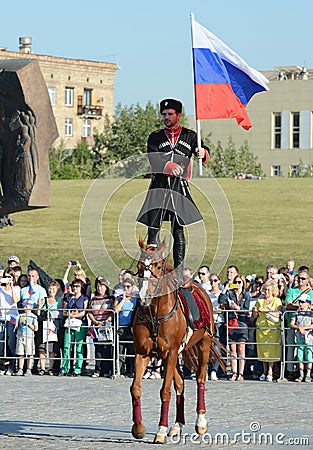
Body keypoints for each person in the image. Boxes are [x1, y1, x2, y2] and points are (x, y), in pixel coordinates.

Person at [136, 98, 210, 284]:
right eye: (164, 114)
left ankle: (178, 271)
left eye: (170, 114)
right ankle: (151, 267)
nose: (166, 117)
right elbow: (153, 158)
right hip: (159, 186)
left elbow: (203, 148)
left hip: (179, 187)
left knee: (178, 229)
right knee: (153, 229)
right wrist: (169, 166)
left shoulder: (191, 135)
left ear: (178, 115)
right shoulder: (155, 136)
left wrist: (203, 153)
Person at [219, 274, 250, 381]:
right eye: (235, 282)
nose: (237, 284)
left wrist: (238, 308)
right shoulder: (230, 294)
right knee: (232, 350)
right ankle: (234, 372)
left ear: (243, 283)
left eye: (239, 282)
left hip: (241, 323)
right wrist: (225, 289)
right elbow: (221, 301)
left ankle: (240, 373)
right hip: (232, 322)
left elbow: (246, 309)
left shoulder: (246, 294)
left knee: (241, 350)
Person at [284, 269, 313, 380]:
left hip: (308, 325)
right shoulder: (292, 291)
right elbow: (288, 305)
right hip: (294, 322)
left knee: (308, 350)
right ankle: (291, 370)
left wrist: (299, 305)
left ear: (307, 280)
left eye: (303, 278)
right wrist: (302, 306)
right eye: (299, 278)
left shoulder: (311, 292)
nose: (300, 280)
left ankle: (307, 372)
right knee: (291, 346)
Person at [253, 279, 282, 382]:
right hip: (261, 328)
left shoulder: (277, 300)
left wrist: (268, 311)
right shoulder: (260, 301)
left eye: (269, 290)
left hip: (272, 329)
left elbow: (279, 314)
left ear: (273, 290)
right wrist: (255, 311)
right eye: (265, 289)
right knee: (262, 350)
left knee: (272, 350)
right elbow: (255, 315)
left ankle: (270, 371)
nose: (267, 292)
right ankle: (264, 371)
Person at [88, 276, 115, 378]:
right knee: (98, 348)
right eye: (98, 286)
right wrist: (95, 321)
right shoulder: (93, 299)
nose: (100, 288)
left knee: (107, 348)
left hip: (107, 326)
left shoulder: (110, 298)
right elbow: (89, 312)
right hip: (96, 326)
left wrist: (107, 320)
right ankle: (98, 369)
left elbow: (113, 311)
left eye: (102, 286)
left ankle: (108, 369)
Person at [61, 278, 88, 376]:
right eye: (74, 286)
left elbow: (84, 312)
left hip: (80, 323)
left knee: (79, 347)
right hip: (69, 323)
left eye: (77, 286)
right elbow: (64, 311)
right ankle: (65, 367)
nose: (75, 288)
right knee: (67, 346)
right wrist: (70, 314)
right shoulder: (69, 298)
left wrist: (74, 315)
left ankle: (78, 368)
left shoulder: (84, 298)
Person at [114, 277, 138, 377]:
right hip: (120, 326)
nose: (126, 289)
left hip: (131, 327)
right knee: (119, 349)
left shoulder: (136, 300)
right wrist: (123, 300)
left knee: (131, 350)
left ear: (132, 287)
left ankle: (130, 371)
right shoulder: (119, 298)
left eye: (128, 287)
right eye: (124, 287)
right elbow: (115, 310)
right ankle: (118, 370)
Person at [37, 281, 61, 376]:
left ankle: (50, 368)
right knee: (42, 348)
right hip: (44, 324)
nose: (51, 291)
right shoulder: (44, 300)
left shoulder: (58, 301)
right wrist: (39, 306)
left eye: (53, 289)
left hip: (54, 325)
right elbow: (39, 313)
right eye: (50, 288)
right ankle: (42, 368)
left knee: (52, 349)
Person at [0, 269, 20, 375]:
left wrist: (11, 286)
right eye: (6, 277)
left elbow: (15, 300)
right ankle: (3, 365)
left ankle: (12, 366)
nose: (7, 279)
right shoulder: (0, 289)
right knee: (1, 342)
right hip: (2, 317)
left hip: (12, 318)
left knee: (11, 342)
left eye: (10, 277)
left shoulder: (16, 288)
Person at [290, 295, 313, 382]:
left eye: (303, 302)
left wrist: (305, 328)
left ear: (308, 304)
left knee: (309, 356)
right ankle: (301, 374)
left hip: (309, 338)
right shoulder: (296, 313)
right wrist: (299, 327)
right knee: (300, 356)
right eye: (300, 302)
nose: (300, 304)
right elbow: (291, 324)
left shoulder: (311, 314)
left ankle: (308, 374)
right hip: (299, 338)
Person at [15, 299, 38, 376]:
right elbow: (17, 326)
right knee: (20, 353)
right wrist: (16, 324)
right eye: (24, 305)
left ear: (31, 307)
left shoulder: (33, 317)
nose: (24, 307)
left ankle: (28, 369)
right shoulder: (20, 315)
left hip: (29, 337)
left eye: (26, 305)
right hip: (20, 336)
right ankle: (20, 369)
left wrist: (27, 323)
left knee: (29, 353)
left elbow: (36, 328)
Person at [208, 272, 224, 380]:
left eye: (215, 280)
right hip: (208, 321)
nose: (213, 283)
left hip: (218, 321)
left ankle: (214, 370)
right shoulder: (207, 293)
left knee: (217, 347)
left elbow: (222, 308)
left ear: (219, 281)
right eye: (211, 281)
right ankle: (205, 369)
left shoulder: (221, 294)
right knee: (206, 346)